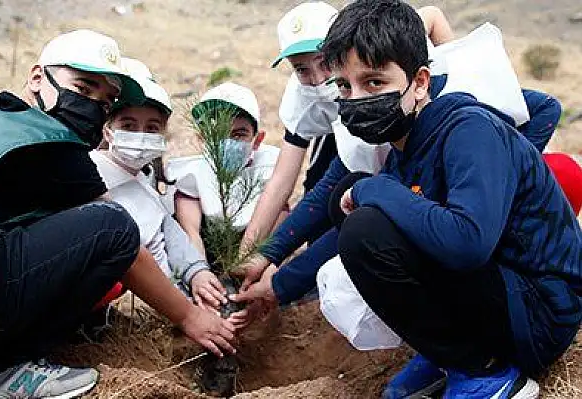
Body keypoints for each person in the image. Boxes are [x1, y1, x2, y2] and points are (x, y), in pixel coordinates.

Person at [0, 30, 236, 399]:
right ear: (36, 77)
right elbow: (121, 240)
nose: (94, 104)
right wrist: (190, 317)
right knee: (112, 227)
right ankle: (1, 369)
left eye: (106, 99)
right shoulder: (48, 141)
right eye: (83, 87)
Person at [324, 1, 578, 397]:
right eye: (344, 86)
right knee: (349, 201)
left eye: (374, 82)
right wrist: (278, 283)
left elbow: (468, 243)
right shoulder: (405, 150)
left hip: (540, 312)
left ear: (420, 82)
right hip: (502, 292)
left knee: (366, 223)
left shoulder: (469, 130)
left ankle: (486, 374)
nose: (356, 99)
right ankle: (450, 352)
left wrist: (375, 188)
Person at [239, 1, 456, 252]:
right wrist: (247, 253)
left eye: (324, 63)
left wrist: (454, 66)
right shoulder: (301, 99)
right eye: (302, 69)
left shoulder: (384, 53)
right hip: (338, 128)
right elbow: (281, 181)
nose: (319, 79)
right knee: (328, 197)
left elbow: (432, 16)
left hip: (396, 116)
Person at [90, 58, 228, 311]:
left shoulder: (142, 176)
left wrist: (196, 271)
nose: (140, 135)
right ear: (108, 130)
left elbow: (165, 228)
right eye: (128, 126)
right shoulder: (92, 175)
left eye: (152, 128)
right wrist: (184, 307)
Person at [168, 82, 281, 261]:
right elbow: (191, 233)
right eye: (217, 133)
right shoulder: (192, 175)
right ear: (202, 139)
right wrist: (202, 273)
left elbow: (277, 230)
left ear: (257, 140)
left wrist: (249, 264)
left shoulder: (270, 170)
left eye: (239, 134)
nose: (227, 142)